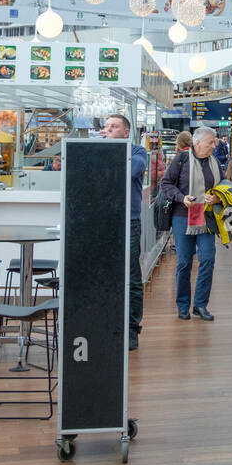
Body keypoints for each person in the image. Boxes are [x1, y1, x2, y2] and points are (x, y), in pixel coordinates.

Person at [155, 126, 222, 321]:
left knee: (208, 259)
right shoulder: (181, 160)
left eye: (215, 141)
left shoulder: (215, 162)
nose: (214, 145)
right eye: (211, 142)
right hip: (183, 216)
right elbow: (166, 184)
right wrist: (181, 197)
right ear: (198, 143)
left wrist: (217, 197)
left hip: (207, 217)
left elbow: (224, 184)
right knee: (184, 262)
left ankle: (200, 305)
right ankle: (183, 305)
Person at [103, 114, 149, 350]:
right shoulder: (98, 151)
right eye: (107, 126)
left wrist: (109, 153)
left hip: (128, 221)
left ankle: (132, 328)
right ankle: (107, 323)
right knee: (104, 275)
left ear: (126, 132)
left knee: (131, 276)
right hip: (102, 221)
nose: (108, 129)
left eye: (114, 126)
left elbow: (131, 170)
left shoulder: (138, 152)